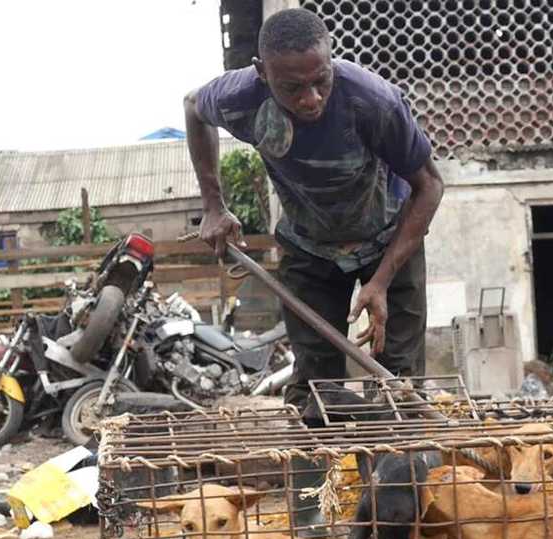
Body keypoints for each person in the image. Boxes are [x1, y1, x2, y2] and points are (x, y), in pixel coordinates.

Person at [184, 7, 444, 410]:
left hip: (389, 241)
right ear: (262, 72)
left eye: (321, 81)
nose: (311, 99)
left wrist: (380, 281)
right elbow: (192, 107)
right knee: (317, 395)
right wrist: (213, 205)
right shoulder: (240, 98)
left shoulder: (373, 101)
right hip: (309, 248)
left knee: (401, 388)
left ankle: (397, 462)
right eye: (292, 88)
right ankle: (327, 470)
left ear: (330, 61)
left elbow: (429, 186)